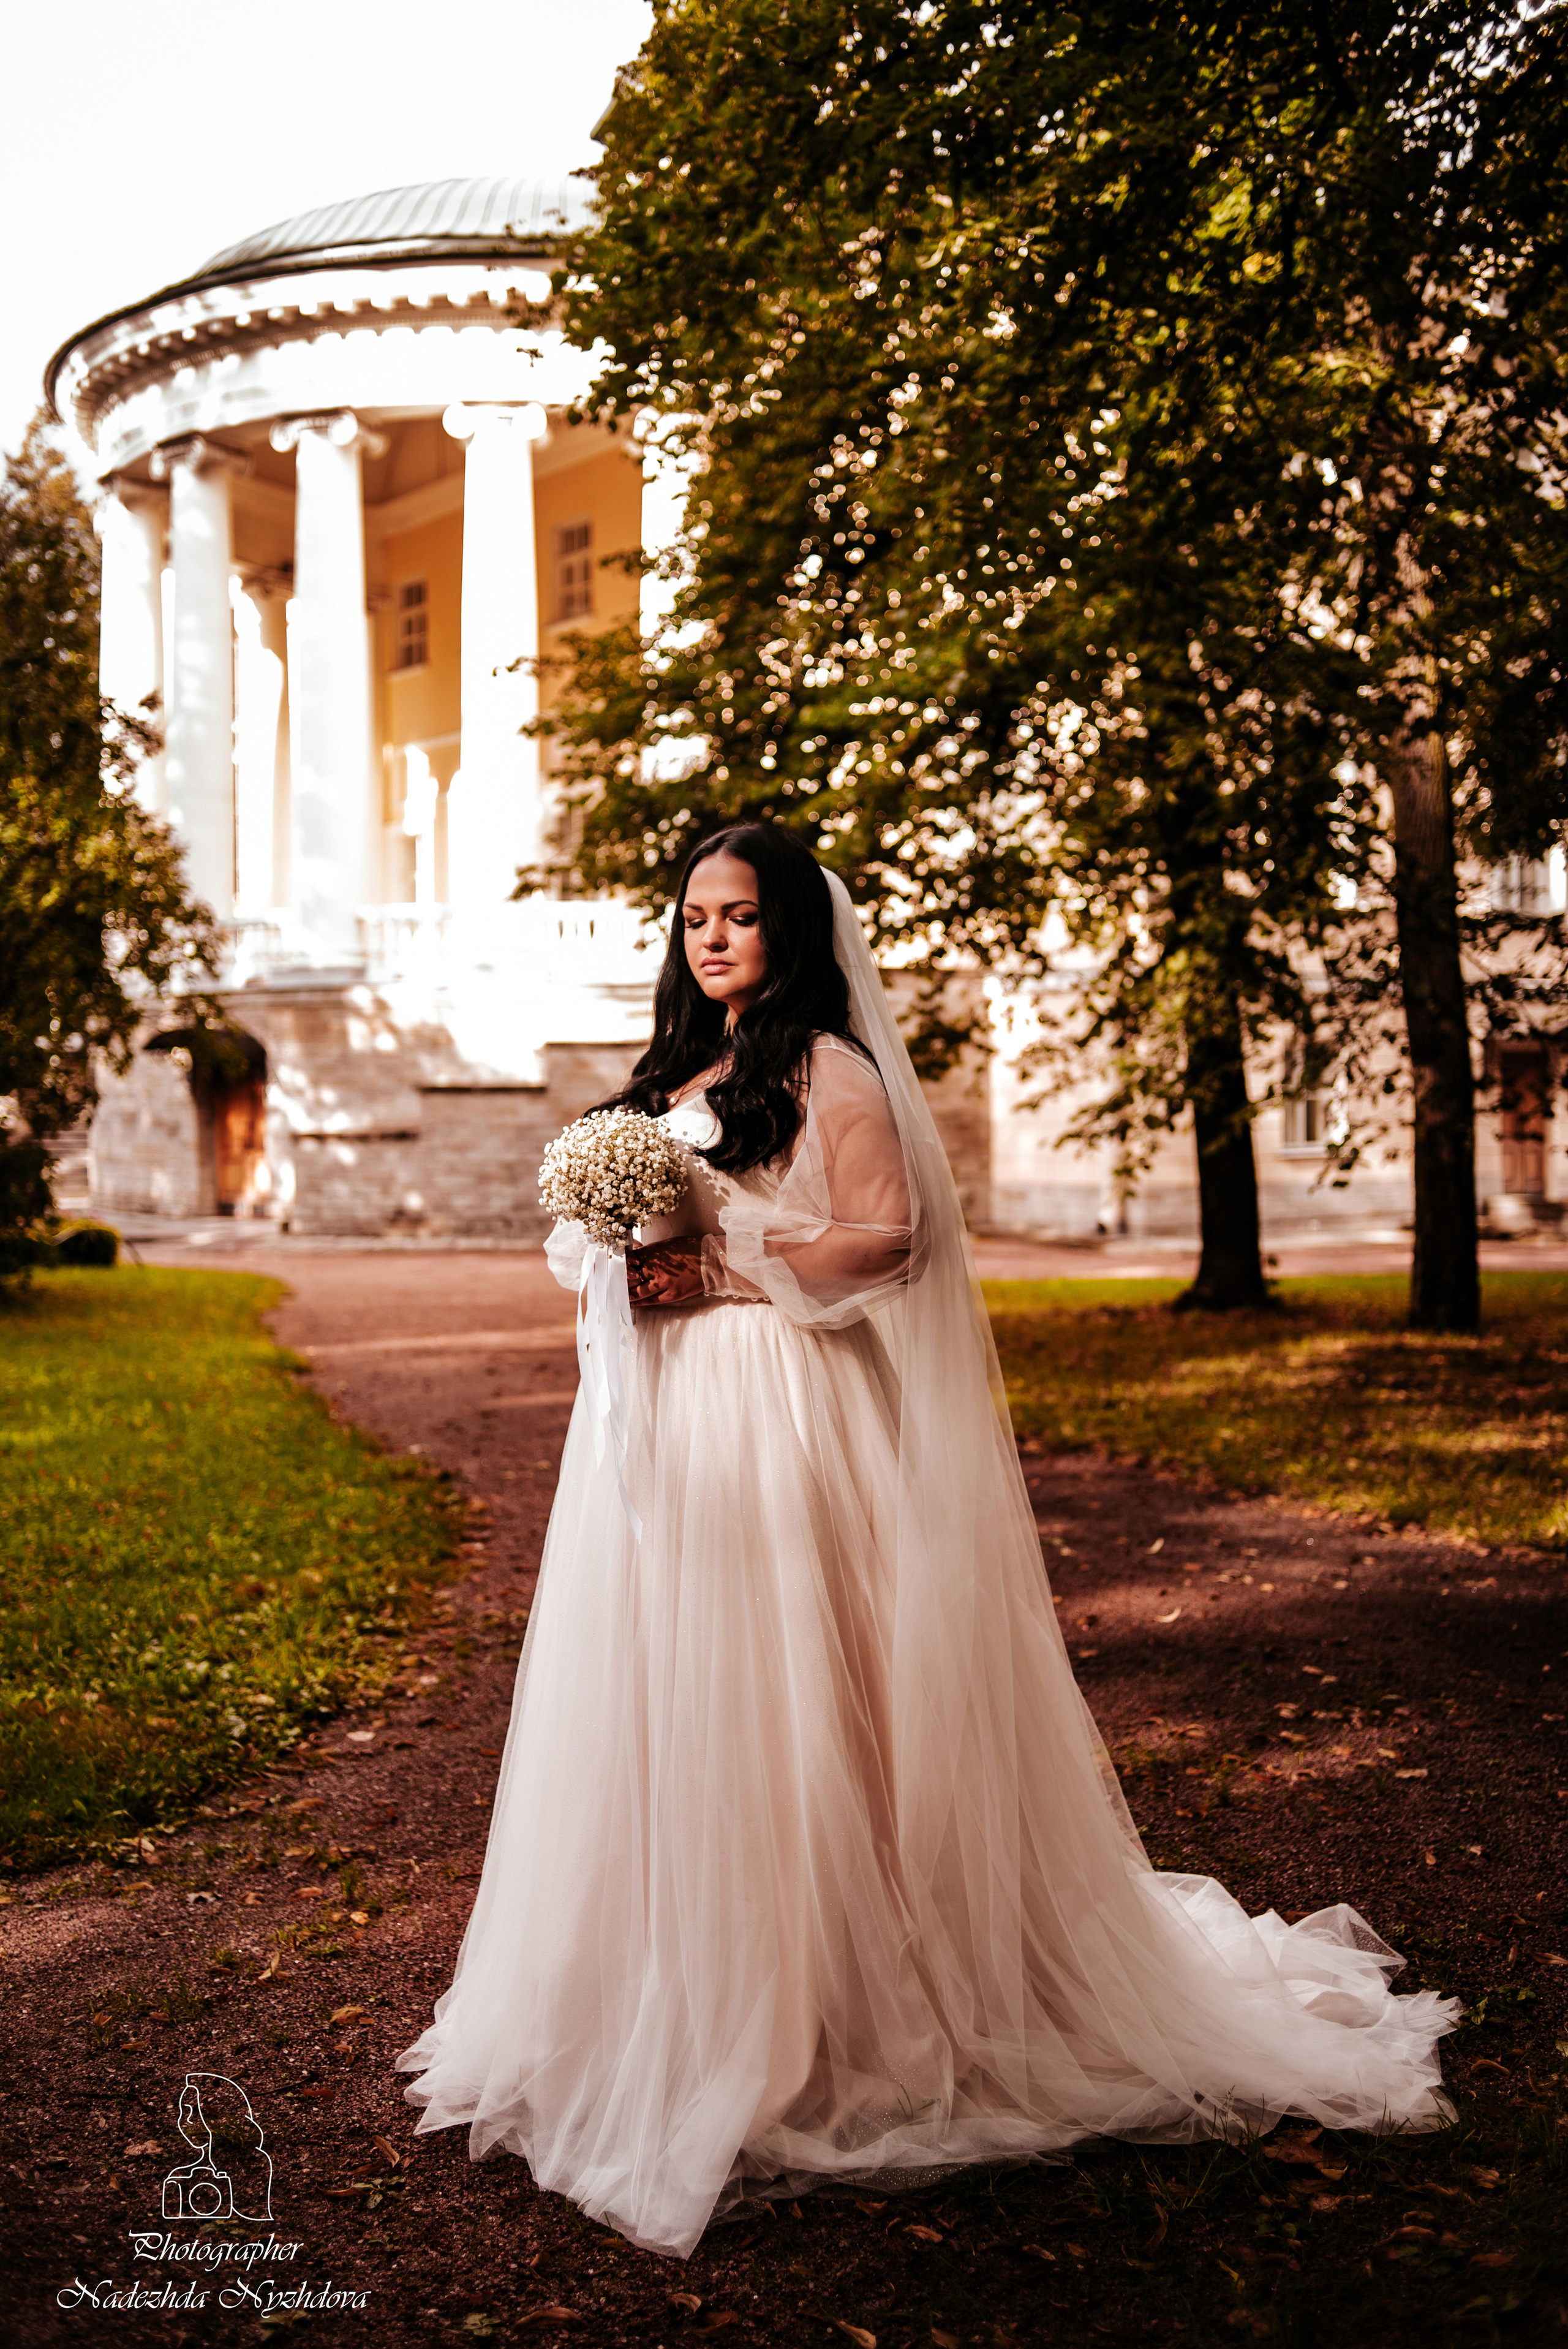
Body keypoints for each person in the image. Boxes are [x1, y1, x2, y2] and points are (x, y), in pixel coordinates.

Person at [399, 824, 1455, 2260]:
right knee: (669, 1697)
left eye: (743, 916)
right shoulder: (668, 1083)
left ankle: (836, 2007)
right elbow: (612, 1240)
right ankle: (672, 1993)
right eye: (696, 916)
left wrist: (721, 1264)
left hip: (783, 1409)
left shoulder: (826, 1069)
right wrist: (615, 1258)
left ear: (794, 932)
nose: (713, 939)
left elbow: (888, 1240)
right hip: (658, 1435)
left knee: (805, 1696)